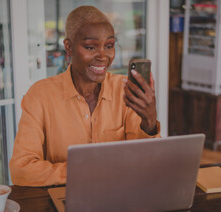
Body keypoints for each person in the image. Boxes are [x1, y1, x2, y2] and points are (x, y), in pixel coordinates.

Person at [9, 6, 160, 186]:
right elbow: (21, 170)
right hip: (65, 199)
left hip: (120, 193)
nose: (103, 56)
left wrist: (149, 123)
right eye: (90, 47)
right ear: (69, 47)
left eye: (109, 46)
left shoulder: (124, 90)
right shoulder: (40, 96)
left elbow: (146, 163)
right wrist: (86, 170)